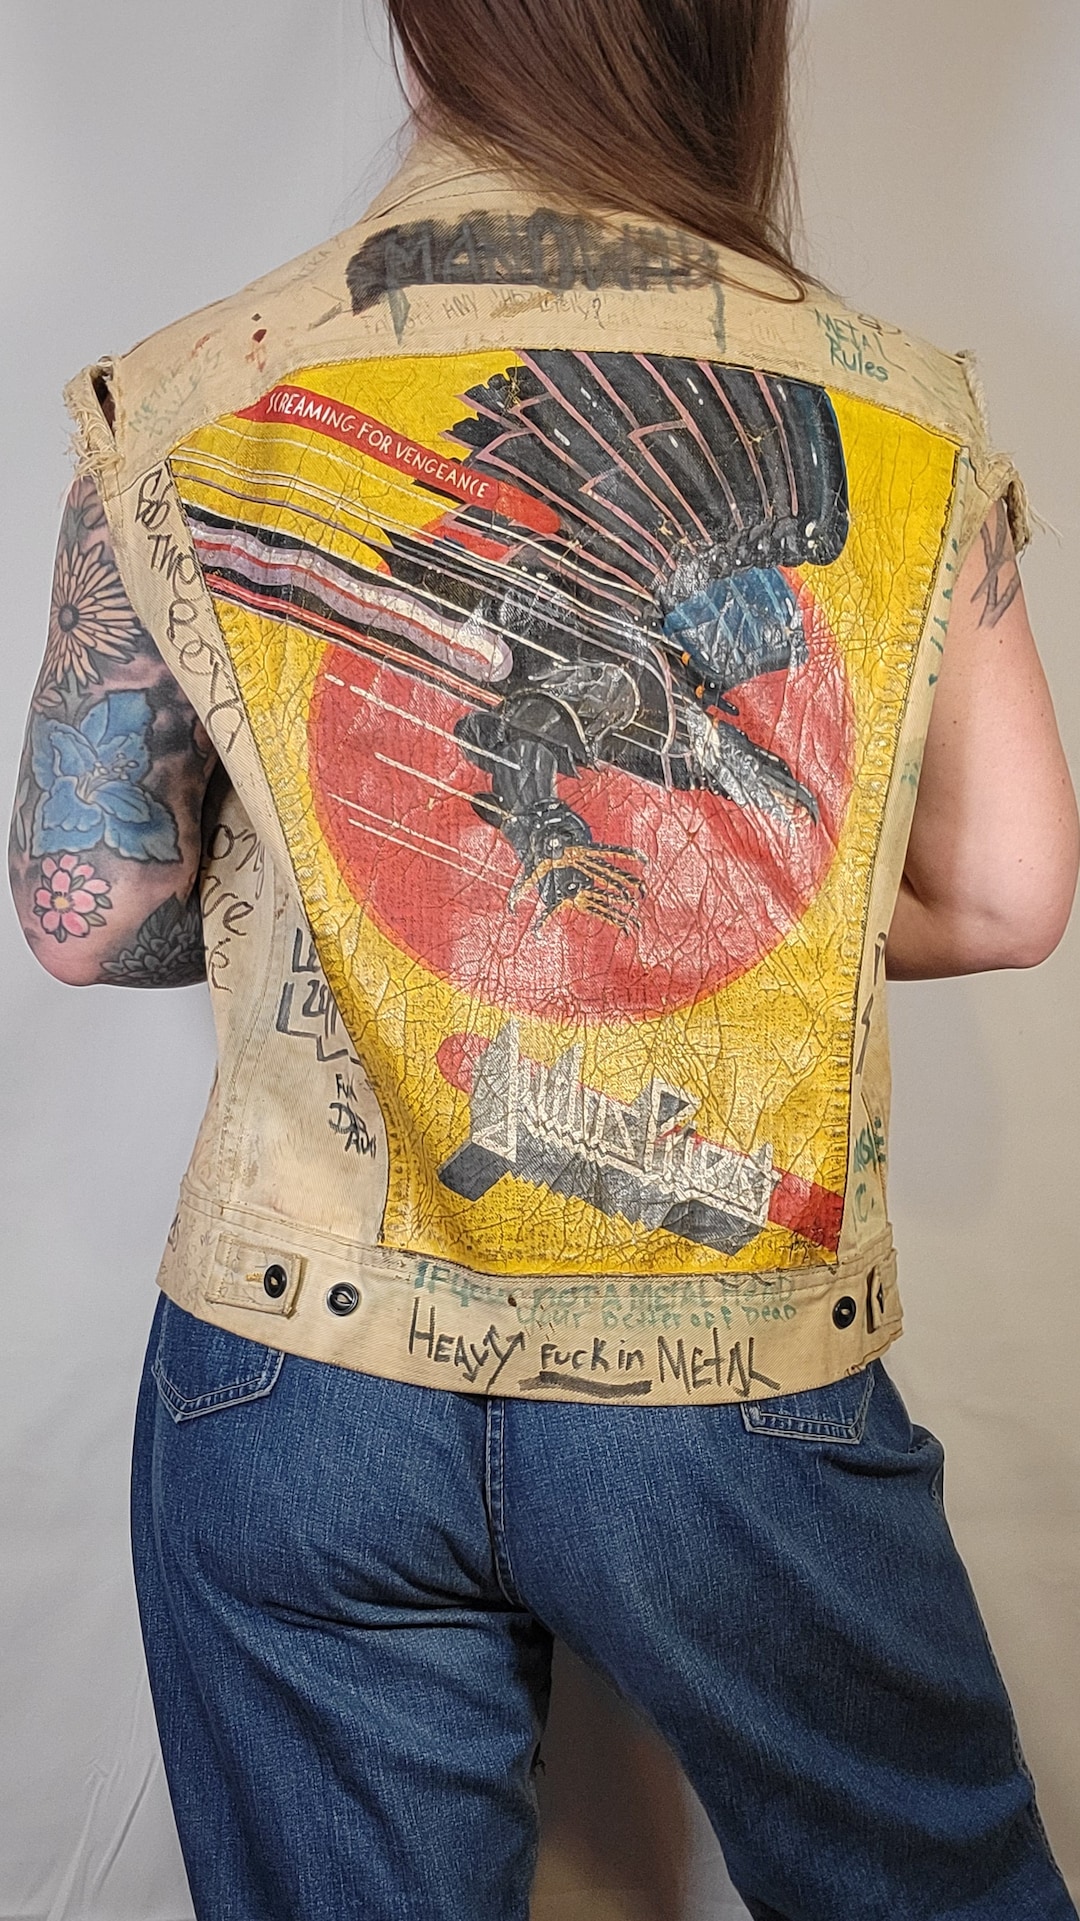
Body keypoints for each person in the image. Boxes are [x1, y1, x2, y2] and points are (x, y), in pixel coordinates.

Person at [9, 1, 1079, 1914]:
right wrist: (736, 905)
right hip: (727, 1362)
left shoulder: (190, 389)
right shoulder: (899, 408)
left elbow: (82, 913)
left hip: (298, 1367)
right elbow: (1008, 893)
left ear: (428, 29)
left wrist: (312, 895)